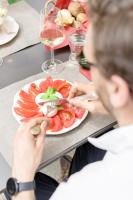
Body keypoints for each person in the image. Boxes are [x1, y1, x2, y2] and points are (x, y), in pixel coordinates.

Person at [5, 0, 133, 199]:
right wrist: (110, 100)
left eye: (88, 63)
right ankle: (72, 168)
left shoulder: (87, 188)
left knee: (31, 180)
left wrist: (21, 179)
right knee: (93, 140)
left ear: (118, 88)